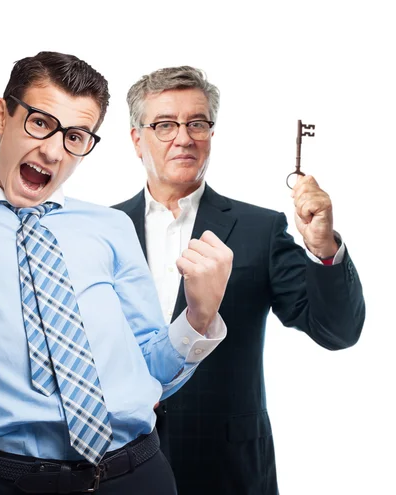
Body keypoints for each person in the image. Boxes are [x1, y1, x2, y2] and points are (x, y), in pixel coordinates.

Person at [0, 53, 232, 494]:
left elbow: (152, 370)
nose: (53, 151)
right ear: (2, 115)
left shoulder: (111, 227)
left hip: (140, 474)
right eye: (39, 123)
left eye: (75, 136)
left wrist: (199, 319)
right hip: (18, 483)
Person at [113, 66, 365, 495]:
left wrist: (324, 248)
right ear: (137, 139)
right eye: (165, 124)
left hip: (228, 470)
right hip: (118, 465)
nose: (184, 137)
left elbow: (336, 330)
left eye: (198, 123)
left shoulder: (258, 229)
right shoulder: (102, 229)